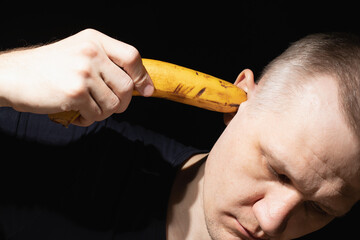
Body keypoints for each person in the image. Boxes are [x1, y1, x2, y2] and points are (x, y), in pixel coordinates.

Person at [0, 29, 358, 240]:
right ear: (240, 98)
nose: (271, 221)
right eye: (278, 171)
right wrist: (8, 73)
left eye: (318, 208)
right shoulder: (58, 150)